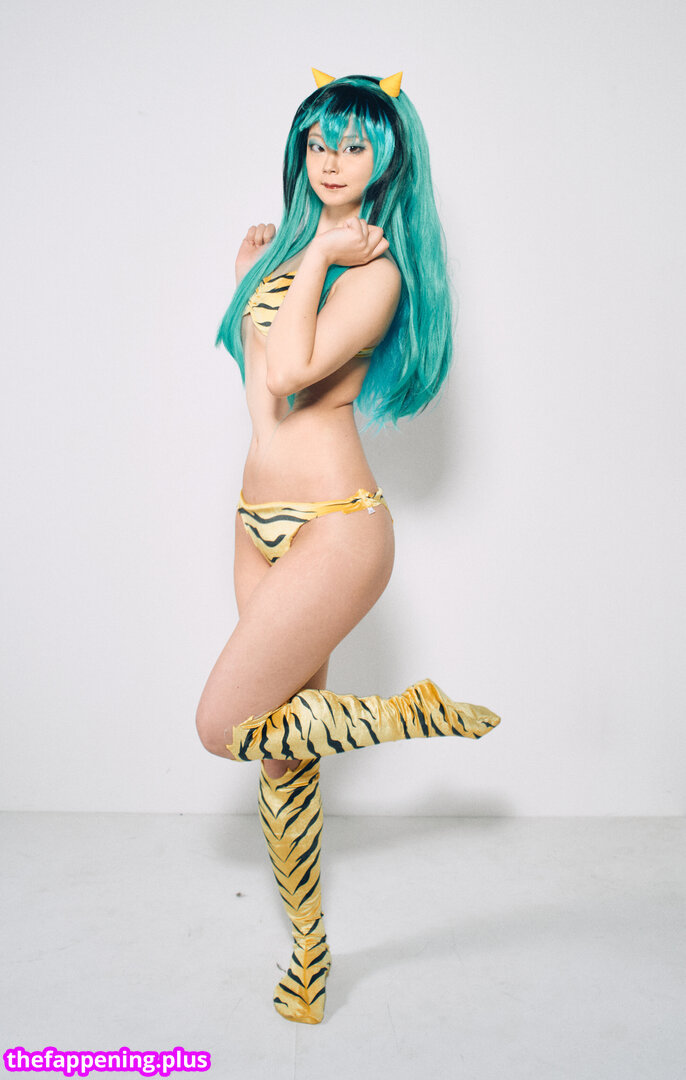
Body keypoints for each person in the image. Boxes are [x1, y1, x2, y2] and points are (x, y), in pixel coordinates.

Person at [195, 69, 501, 1025]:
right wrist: (253, 275)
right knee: (282, 757)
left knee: (224, 725)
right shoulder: (293, 252)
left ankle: (403, 714)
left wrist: (324, 253)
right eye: (321, 143)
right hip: (256, 523)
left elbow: (293, 372)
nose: (333, 162)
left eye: (356, 146)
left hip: (336, 525)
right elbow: (258, 385)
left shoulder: (376, 271)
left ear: (388, 159)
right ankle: (310, 954)